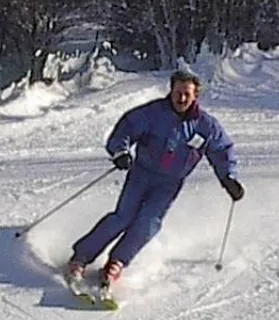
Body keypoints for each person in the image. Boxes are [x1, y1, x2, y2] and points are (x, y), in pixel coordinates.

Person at [67, 67, 243, 296]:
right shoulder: (153, 113)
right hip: (142, 173)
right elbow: (126, 129)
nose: (181, 98)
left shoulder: (205, 125)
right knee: (123, 217)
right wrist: (120, 152)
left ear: (195, 96)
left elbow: (222, 150)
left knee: (149, 223)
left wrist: (229, 178)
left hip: (169, 184)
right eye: (177, 92)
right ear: (170, 91)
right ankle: (80, 259)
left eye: (186, 94)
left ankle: (116, 263)